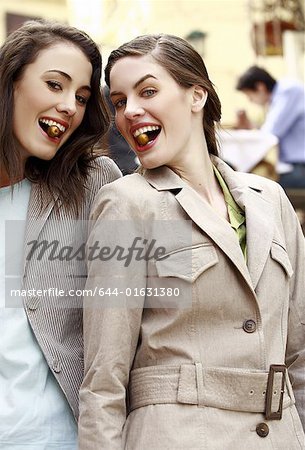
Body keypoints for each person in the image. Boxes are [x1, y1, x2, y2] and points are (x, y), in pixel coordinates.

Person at [78, 34, 305, 449]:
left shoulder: (270, 200)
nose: (131, 111)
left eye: (148, 91)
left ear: (196, 94)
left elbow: (299, 356)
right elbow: (103, 378)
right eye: (121, 101)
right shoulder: (127, 203)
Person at [0, 19, 121, 449]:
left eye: (82, 97)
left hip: (57, 436)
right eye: (55, 85)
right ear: (10, 82)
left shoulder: (93, 181)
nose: (70, 105)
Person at [236, 65, 305, 188]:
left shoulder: (289, 91)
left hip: (300, 167)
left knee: (257, 187)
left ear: (260, 87)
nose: (250, 100)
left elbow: (270, 133)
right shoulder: (279, 97)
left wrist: (251, 128)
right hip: (295, 165)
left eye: (249, 95)